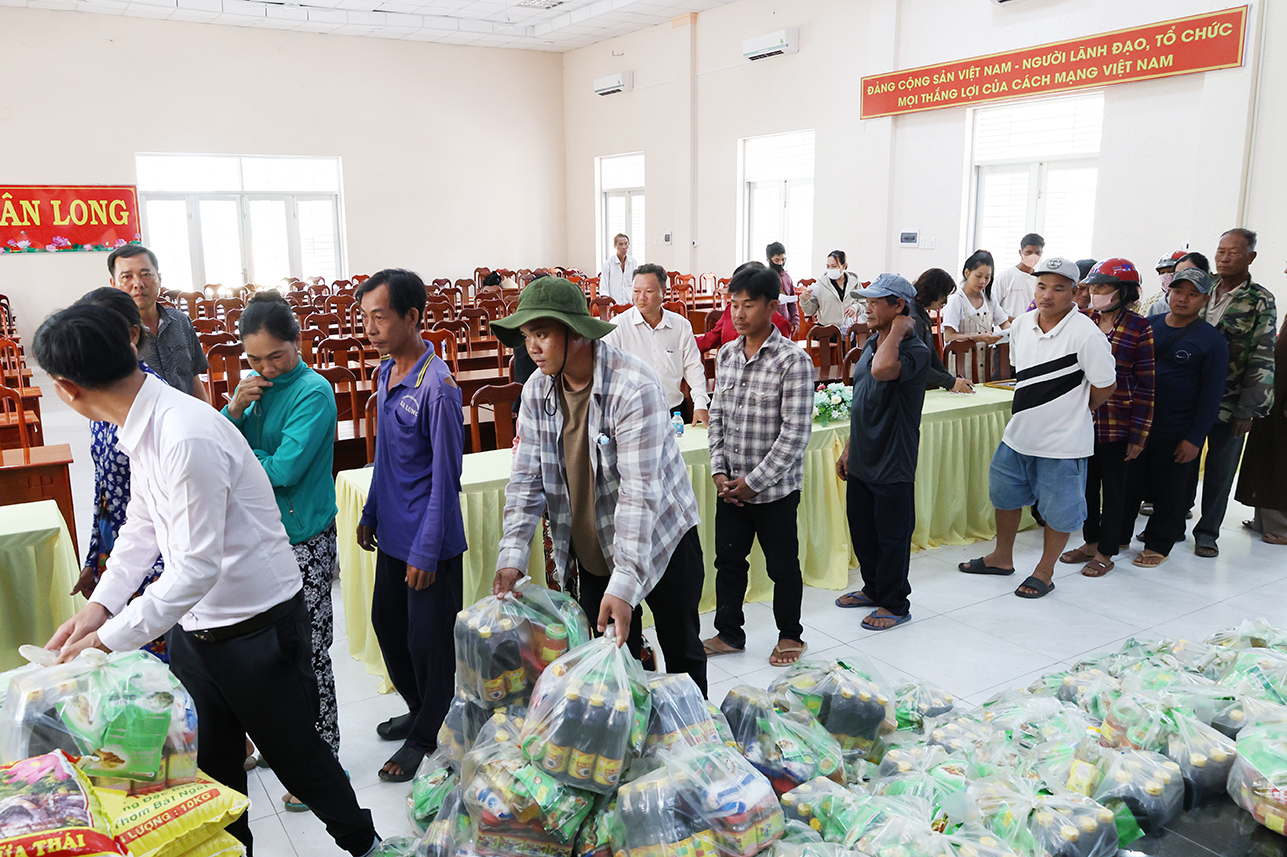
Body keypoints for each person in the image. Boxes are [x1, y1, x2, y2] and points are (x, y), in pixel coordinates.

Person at [36, 304, 380, 857]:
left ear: (66, 389)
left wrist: (107, 640)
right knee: (214, 766)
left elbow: (195, 567)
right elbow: (143, 523)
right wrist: (99, 608)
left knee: (299, 757)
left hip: (256, 629)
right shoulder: (143, 422)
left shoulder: (183, 434)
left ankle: (366, 845)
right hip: (197, 629)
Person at [489, 277, 708, 693]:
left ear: (576, 333)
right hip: (595, 552)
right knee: (613, 668)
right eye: (526, 336)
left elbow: (639, 494)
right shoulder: (537, 390)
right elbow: (526, 480)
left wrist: (625, 584)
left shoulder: (632, 386)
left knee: (682, 654)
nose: (531, 347)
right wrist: (512, 553)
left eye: (541, 334)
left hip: (661, 540)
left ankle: (696, 729)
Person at [221, 291, 341, 812]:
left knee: (309, 650)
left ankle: (324, 757)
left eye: (276, 356)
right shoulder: (254, 389)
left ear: (298, 342)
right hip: (263, 535)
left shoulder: (313, 392)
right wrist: (235, 408)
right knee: (273, 652)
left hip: (304, 536)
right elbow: (220, 443)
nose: (266, 368)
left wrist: (242, 459)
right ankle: (290, 745)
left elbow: (284, 470)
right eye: (255, 359)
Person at [356, 269, 467, 782]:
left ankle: (428, 736)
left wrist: (426, 550)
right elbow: (385, 457)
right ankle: (422, 710)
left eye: (379, 317)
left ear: (412, 316)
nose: (370, 328)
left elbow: (446, 479)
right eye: (365, 317)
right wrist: (371, 511)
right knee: (389, 626)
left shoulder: (437, 387)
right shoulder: (385, 373)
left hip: (429, 542)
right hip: (394, 535)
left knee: (430, 644)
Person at [958, 257, 1117, 599]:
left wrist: (1075, 411)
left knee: (1059, 511)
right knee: (1005, 496)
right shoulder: (1021, 325)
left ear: (1075, 292)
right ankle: (1002, 557)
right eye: (1042, 286)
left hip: (1063, 444)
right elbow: (1022, 373)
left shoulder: (1087, 333)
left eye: (1058, 288)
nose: (1047, 295)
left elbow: (1105, 386)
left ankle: (1045, 571)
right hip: (1018, 435)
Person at [703, 262, 814, 666]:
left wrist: (754, 482)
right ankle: (729, 633)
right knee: (729, 562)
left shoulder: (792, 361)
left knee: (782, 566)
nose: (738, 313)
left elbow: (795, 434)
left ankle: (790, 635)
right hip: (731, 487)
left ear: (771, 306)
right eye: (733, 304)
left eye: (748, 305)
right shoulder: (727, 355)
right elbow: (717, 416)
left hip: (774, 490)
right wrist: (719, 470)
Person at [69, 288, 166, 660]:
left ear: (131, 336)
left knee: (154, 668)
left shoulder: (155, 407)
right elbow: (104, 489)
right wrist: (95, 557)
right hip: (123, 554)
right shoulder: (102, 401)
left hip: (157, 564)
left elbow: (163, 515)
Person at [833, 274, 930, 630]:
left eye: (875, 302)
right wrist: (849, 447)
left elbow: (883, 370)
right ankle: (873, 588)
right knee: (864, 531)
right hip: (863, 454)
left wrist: (900, 330)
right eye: (867, 302)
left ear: (899, 305)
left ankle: (894, 603)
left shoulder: (914, 350)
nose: (867, 308)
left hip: (892, 459)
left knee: (891, 537)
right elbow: (863, 398)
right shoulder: (874, 342)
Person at [1123, 268, 1228, 566]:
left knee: (1171, 493)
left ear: (1205, 300)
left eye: (1192, 294)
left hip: (1177, 430)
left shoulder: (1212, 341)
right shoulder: (1149, 325)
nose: (1183, 299)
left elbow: (1211, 395)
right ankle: (1116, 537)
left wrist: (1194, 439)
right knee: (1128, 486)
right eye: (1178, 291)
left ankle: (1158, 545)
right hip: (1139, 426)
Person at [1058, 259, 1154, 578]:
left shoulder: (1139, 328)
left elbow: (1147, 385)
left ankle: (1106, 551)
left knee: (1114, 491)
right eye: (1093, 287)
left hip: (1119, 423)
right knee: (1086, 487)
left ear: (1123, 291)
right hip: (1083, 419)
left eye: (1103, 287)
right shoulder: (1084, 320)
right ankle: (1090, 543)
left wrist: (1139, 436)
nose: (1095, 292)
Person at [1192, 228, 1278, 558]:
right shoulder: (1202, 287)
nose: (1224, 258)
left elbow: (1262, 354)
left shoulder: (1260, 299)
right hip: (1191, 395)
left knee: (1220, 470)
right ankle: (1169, 523)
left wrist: (1249, 408)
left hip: (1231, 399)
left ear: (1250, 257)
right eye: (1220, 251)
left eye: (1233, 252)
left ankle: (1207, 533)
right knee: (1181, 464)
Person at [603, 263, 710, 426]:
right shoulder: (618, 326)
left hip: (673, 412)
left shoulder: (680, 325)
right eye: (636, 291)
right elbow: (604, 370)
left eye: (649, 291)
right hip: (631, 414)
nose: (641, 298)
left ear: (664, 292)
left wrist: (700, 404)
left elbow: (693, 366)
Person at [107, 244, 210, 403]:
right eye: (127, 277)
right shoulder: (110, 333)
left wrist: (206, 414)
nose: (138, 284)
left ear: (159, 279)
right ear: (114, 284)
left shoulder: (181, 321)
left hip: (186, 415)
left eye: (146, 274)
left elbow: (193, 377)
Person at [1235, 260, 1287, 546]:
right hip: (1276, 398)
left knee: (1281, 464)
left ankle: (1284, 527)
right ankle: (1265, 520)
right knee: (1267, 458)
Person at [941, 250, 1010, 378]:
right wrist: (978, 337)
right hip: (960, 365)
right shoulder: (956, 300)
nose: (983, 281)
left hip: (985, 365)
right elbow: (949, 337)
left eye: (987, 277)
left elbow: (1005, 324)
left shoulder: (989, 298)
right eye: (978, 276)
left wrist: (1010, 333)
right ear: (967, 273)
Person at [910, 268, 974, 394]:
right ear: (934, 291)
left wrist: (951, 381)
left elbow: (931, 354)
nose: (945, 301)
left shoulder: (921, 314)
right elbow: (917, 365)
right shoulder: (914, 318)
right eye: (944, 295)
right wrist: (950, 382)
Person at [695, 297, 790, 352]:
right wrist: (687, 345)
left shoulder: (780, 324)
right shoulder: (731, 310)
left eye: (748, 306)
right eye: (735, 305)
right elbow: (711, 339)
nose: (738, 315)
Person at [800, 250, 865, 330]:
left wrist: (855, 307)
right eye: (828, 266)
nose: (830, 269)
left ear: (844, 266)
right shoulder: (820, 284)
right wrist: (804, 300)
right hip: (826, 330)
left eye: (834, 266)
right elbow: (810, 311)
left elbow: (864, 304)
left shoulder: (855, 283)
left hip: (848, 330)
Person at [991, 233, 1045, 322]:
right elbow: (992, 308)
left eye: (1037, 253)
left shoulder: (1040, 280)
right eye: (1029, 252)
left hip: (1031, 328)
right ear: (1020, 252)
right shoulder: (1005, 277)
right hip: (1008, 329)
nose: (1033, 256)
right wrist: (1016, 321)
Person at [767, 241, 800, 335]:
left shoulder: (787, 277)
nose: (780, 263)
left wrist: (795, 320)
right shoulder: (764, 278)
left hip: (786, 323)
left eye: (783, 259)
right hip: (769, 324)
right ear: (769, 260)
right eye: (776, 260)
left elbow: (792, 302)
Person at [1143, 251, 1187, 317]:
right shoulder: (1155, 303)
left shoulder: (1197, 300)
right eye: (1163, 272)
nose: (1166, 276)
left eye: (1170, 272)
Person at [600, 233, 637, 305]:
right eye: (620, 244)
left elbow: (635, 284)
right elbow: (604, 288)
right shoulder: (608, 264)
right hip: (614, 305)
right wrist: (609, 305)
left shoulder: (633, 262)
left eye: (626, 244)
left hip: (630, 304)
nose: (624, 247)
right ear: (615, 246)